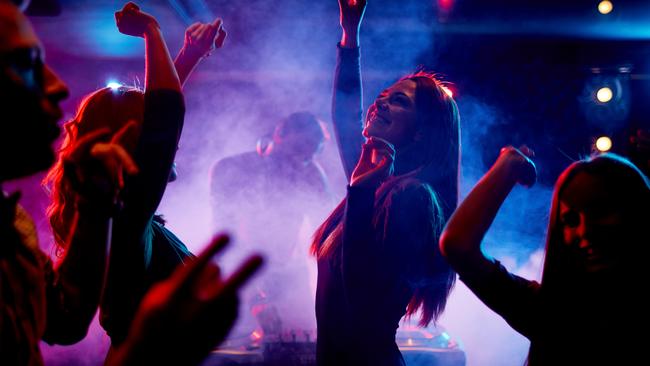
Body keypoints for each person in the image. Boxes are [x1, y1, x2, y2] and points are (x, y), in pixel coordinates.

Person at [41, 1, 226, 356]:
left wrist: (189, 56)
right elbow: (162, 121)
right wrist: (150, 31)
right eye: (152, 132)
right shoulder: (125, 214)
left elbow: (157, 122)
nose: (172, 143)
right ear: (128, 142)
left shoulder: (122, 213)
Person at [310, 1, 460, 364]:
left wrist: (359, 192)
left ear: (422, 132)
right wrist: (350, 36)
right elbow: (346, 116)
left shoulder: (412, 197)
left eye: (398, 102)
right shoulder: (375, 183)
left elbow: (361, 296)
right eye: (381, 98)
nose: (378, 105)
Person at [0, 0, 137, 363]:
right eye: (26, 63)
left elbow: (64, 317)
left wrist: (96, 200)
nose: (59, 85)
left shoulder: (10, 219)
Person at [439, 147, 650, 365]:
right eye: (570, 221)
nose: (585, 231)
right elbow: (458, 246)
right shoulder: (555, 314)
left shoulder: (552, 314)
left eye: (599, 211)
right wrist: (507, 167)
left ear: (637, 214)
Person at [210, 111, 331, 334]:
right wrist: (254, 298)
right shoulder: (231, 169)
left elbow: (328, 238)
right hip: (239, 275)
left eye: (307, 157)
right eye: (296, 150)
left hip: (288, 276)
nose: (298, 163)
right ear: (279, 134)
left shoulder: (312, 175)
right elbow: (224, 236)